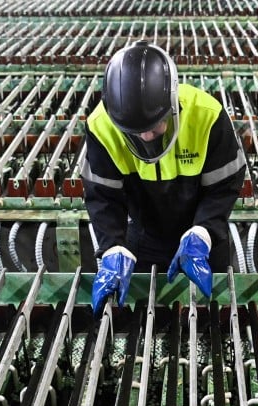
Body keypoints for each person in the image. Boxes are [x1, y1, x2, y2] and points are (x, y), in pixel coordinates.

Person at [82, 41, 246, 316]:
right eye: (135, 131)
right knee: (149, 316)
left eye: (155, 125)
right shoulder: (101, 127)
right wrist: (112, 247)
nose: (147, 137)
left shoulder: (207, 115)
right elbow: (102, 196)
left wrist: (203, 233)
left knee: (211, 316)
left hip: (202, 240)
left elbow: (224, 186)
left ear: (172, 104)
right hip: (145, 236)